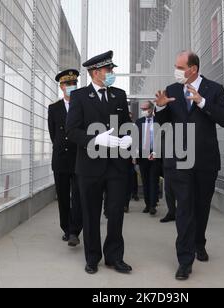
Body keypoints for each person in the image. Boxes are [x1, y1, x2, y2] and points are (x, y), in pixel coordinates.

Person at [154, 51, 224, 280]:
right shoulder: (173, 90)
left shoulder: (214, 89)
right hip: (179, 161)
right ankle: (185, 261)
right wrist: (160, 108)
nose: (176, 70)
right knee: (185, 209)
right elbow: (163, 122)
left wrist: (202, 102)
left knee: (201, 207)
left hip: (206, 162)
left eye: (180, 67)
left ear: (193, 69)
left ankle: (199, 242)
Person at [65, 51, 133, 275]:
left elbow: (126, 125)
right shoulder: (80, 97)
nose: (112, 73)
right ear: (96, 73)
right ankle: (92, 257)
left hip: (116, 166)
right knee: (91, 213)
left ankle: (114, 257)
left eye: (111, 69)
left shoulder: (119, 96)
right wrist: (95, 139)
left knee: (115, 212)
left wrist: (129, 138)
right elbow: (72, 130)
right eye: (108, 70)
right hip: (89, 166)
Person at [48, 69, 83, 247]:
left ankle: (75, 230)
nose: (71, 86)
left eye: (74, 83)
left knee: (78, 195)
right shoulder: (53, 108)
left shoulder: (83, 105)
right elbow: (53, 134)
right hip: (61, 158)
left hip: (79, 158)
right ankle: (67, 229)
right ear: (61, 86)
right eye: (68, 84)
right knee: (63, 196)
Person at [135, 102, 161, 216]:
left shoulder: (158, 121)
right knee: (145, 180)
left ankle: (153, 205)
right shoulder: (139, 122)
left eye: (145, 108)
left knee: (153, 179)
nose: (143, 110)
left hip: (154, 154)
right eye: (142, 109)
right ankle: (147, 204)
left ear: (151, 109)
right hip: (142, 154)